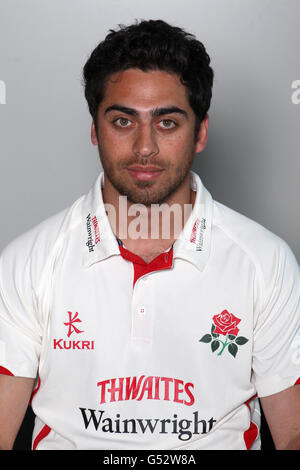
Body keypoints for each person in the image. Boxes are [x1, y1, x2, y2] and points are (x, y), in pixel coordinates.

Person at [0, 19, 299, 451]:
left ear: (200, 133)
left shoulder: (265, 260)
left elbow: (291, 434)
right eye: (123, 121)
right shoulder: (27, 261)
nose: (144, 147)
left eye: (167, 123)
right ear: (94, 130)